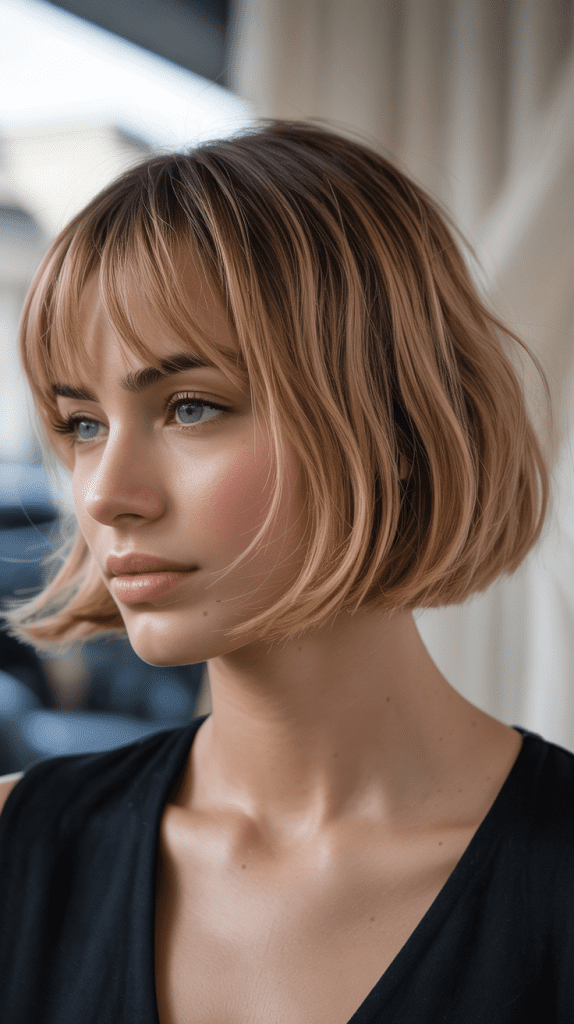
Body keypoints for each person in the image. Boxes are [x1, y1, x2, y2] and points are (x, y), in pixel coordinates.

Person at [0, 119, 570, 1024]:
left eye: (191, 407)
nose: (106, 494)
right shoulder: (17, 851)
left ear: (393, 428)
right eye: (82, 424)